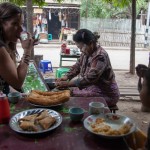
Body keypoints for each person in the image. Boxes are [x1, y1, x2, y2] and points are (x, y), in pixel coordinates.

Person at [56, 29, 120, 107]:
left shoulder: (100, 56)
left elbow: (90, 79)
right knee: (68, 92)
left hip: (106, 93)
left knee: (70, 94)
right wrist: (66, 77)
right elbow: (77, 66)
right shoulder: (86, 52)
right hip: (92, 88)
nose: (80, 50)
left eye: (81, 47)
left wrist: (68, 84)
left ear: (90, 43)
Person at [0, 2, 36, 95]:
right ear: (1, 24)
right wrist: (27, 51)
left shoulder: (8, 44)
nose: (20, 29)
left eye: (21, 24)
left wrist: (19, 95)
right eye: (15, 23)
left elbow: (5, 83)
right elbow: (17, 83)